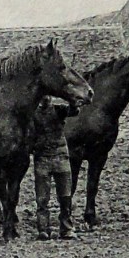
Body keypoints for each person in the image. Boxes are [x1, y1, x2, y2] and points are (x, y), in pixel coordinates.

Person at [29, 97, 78, 239]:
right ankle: (43, 229)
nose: (45, 99)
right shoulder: (33, 113)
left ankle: (66, 228)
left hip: (60, 157)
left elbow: (74, 111)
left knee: (65, 197)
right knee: (42, 198)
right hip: (43, 158)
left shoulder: (59, 109)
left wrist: (75, 101)